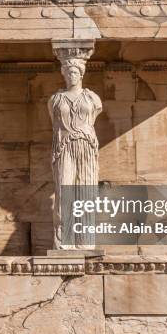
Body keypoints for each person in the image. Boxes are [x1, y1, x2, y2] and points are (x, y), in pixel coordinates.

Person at [48, 58, 102, 249]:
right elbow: (55, 123)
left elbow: (94, 115)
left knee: (85, 190)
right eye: (68, 72)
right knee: (64, 190)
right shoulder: (56, 100)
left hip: (86, 145)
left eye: (74, 72)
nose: (71, 76)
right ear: (64, 74)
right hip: (64, 146)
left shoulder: (92, 98)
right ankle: (65, 240)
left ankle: (85, 240)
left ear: (81, 74)